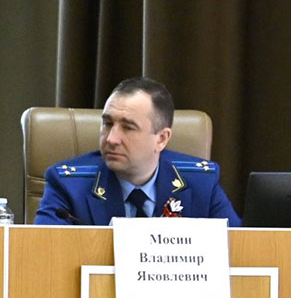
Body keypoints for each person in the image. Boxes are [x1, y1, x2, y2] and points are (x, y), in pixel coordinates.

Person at [35, 76, 240, 224]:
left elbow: (237, 251)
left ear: (161, 139)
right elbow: (45, 254)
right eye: (107, 124)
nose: (111, 139)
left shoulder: (201, 184)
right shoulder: (68, 185)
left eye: (128, 127)